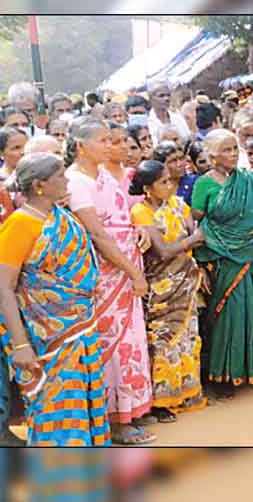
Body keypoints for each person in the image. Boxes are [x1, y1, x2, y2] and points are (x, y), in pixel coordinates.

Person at [0, 154, 110, 446]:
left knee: (82, 403)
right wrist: (21, 344)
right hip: (44, 340)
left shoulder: (60, 218)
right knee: (54, 408)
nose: (66, 180)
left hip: (80, 329)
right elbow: (3, 287)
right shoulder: (20, 225)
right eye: (60, 176)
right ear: (39, 185)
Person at [64, 118, 155, 445]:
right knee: (111, 345)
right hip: (104, 272)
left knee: (131, 340)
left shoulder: (103, 175)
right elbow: (98, 234)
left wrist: (139, 229)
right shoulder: (76, 182)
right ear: (80, 146)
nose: (109, 145)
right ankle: (114, 420)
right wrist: (133, 272)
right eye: (102, 140)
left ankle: (131, 409)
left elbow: (122, 217)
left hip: (126, 261)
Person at [191, 129, 253, 398]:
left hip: (251, 254)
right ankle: (223, 374)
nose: (234, 154)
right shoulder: (204, 184)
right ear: (213, 156)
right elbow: (200, 220)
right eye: (227, 150)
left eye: (235, 148)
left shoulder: (252, 181)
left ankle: (252, 369)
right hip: (222, 258)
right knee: (228, 313)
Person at [130, 160, 207, 423]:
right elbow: (161, 251)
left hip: (185, 281)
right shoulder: (140, 212)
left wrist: (188, 242)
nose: (170, 185)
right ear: (148, 188)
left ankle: (186, 393)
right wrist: (190, 241)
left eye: (170, 180)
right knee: (162, 341)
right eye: (163, 182)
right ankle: (161, 402)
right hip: (161, 287)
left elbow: (194, 233)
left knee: (186, 337)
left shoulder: (177, 204)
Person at [154, 141, 197, 206]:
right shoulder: (155, 186)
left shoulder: (194, 182)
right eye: (173, 161)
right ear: (161, 164)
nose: (179, 164)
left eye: (181, 158)